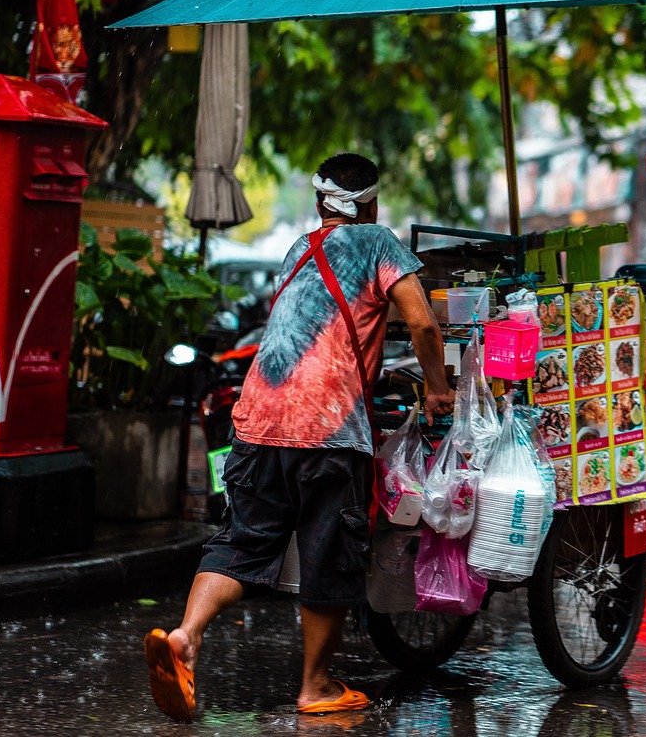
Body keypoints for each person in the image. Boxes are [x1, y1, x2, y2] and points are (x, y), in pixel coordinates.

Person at [144, 153, 454, 721]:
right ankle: (315, 687)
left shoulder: (297, 250)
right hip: (328, 430)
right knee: (327, 556)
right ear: (373, 204)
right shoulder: (379, 242)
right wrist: (437, 388)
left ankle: (186, 635)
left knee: (242, 542)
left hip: (257, 419)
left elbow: (310, 330)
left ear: (318, 204)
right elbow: (424, 323)